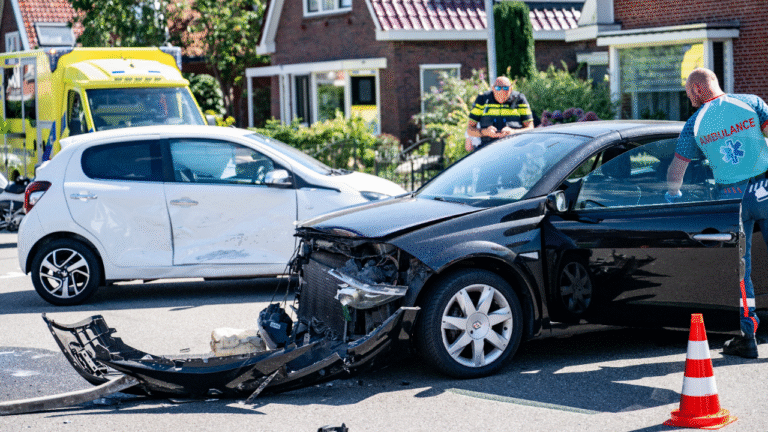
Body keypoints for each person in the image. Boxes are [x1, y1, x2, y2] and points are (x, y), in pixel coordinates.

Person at [666, 67, 768, 358]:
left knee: (741, 270)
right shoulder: (752, 103)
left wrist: (672, 197)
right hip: (765, 188)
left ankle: (748, 338)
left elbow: (677, 169)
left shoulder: (694, 124)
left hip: (733, 200)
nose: (688, 98)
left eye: (688, 92)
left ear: (698, 89)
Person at [466, 76, 533, 151]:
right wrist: (486, 132)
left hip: (515, 149)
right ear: (493, 88)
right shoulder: (482, 99)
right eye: (498, 88)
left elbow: (530, 128)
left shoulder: (519, 99)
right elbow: (470, 130)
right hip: (489, 149)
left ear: (511, 88)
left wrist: (513, 132)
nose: (501, 92)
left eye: (506, 88)